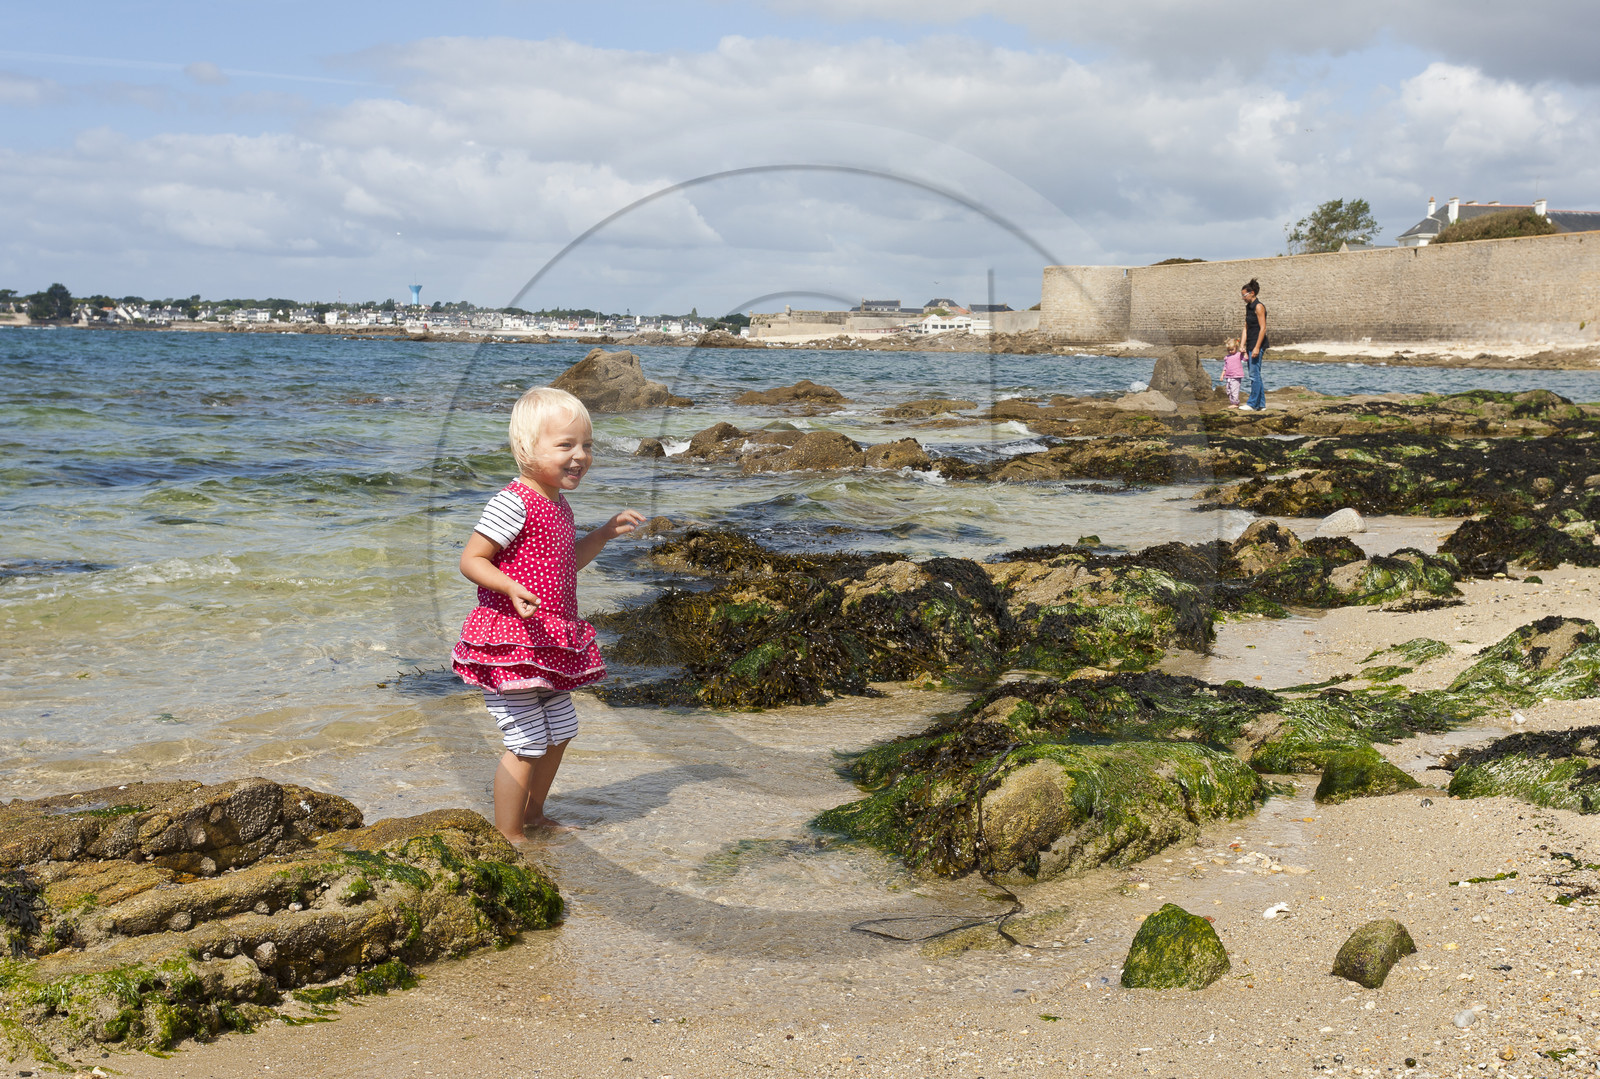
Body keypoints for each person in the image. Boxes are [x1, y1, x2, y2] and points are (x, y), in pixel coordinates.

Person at [452, 386, 644, 843]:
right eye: (565, 445)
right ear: (526, 448)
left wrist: (602, 534)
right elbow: (472, 560)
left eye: (586, 445)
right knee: (526, 742)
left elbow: (564, 563)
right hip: (511, 645)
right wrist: (509, 586)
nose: (580, 456)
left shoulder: (558, 503)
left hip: (549, 642)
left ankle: (534, 815)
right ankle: (510, 835)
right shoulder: (513, 501)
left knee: (561, 731)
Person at [1238, 279, 1270, 411]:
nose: (1243, 298)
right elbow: (1246, 327)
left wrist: (1257, 347)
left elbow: (1263, 328)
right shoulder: (1248, 307)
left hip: (1258, 344)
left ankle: (1252, 404)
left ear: (1252, 293)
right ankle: (1261, 404)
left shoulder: (1259, 306)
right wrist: (1242, 345)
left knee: (1253, 375)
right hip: (1250, 343)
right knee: (1255, 374)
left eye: (1244, 295)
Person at [1221, 335, 1246, 407]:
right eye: (1229, 350)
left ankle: (1235, 403)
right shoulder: (1227, 357)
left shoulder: (1238, 355)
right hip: (1228, 377)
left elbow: (1245, 359)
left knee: (1234, 390)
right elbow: (1225, 367)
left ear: (1236, 348)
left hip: (1236, 376)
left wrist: (1244, 352)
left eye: (1232, 349)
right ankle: (1232, 402)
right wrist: (1222, 375)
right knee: (1228, 391)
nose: (1230, 351)